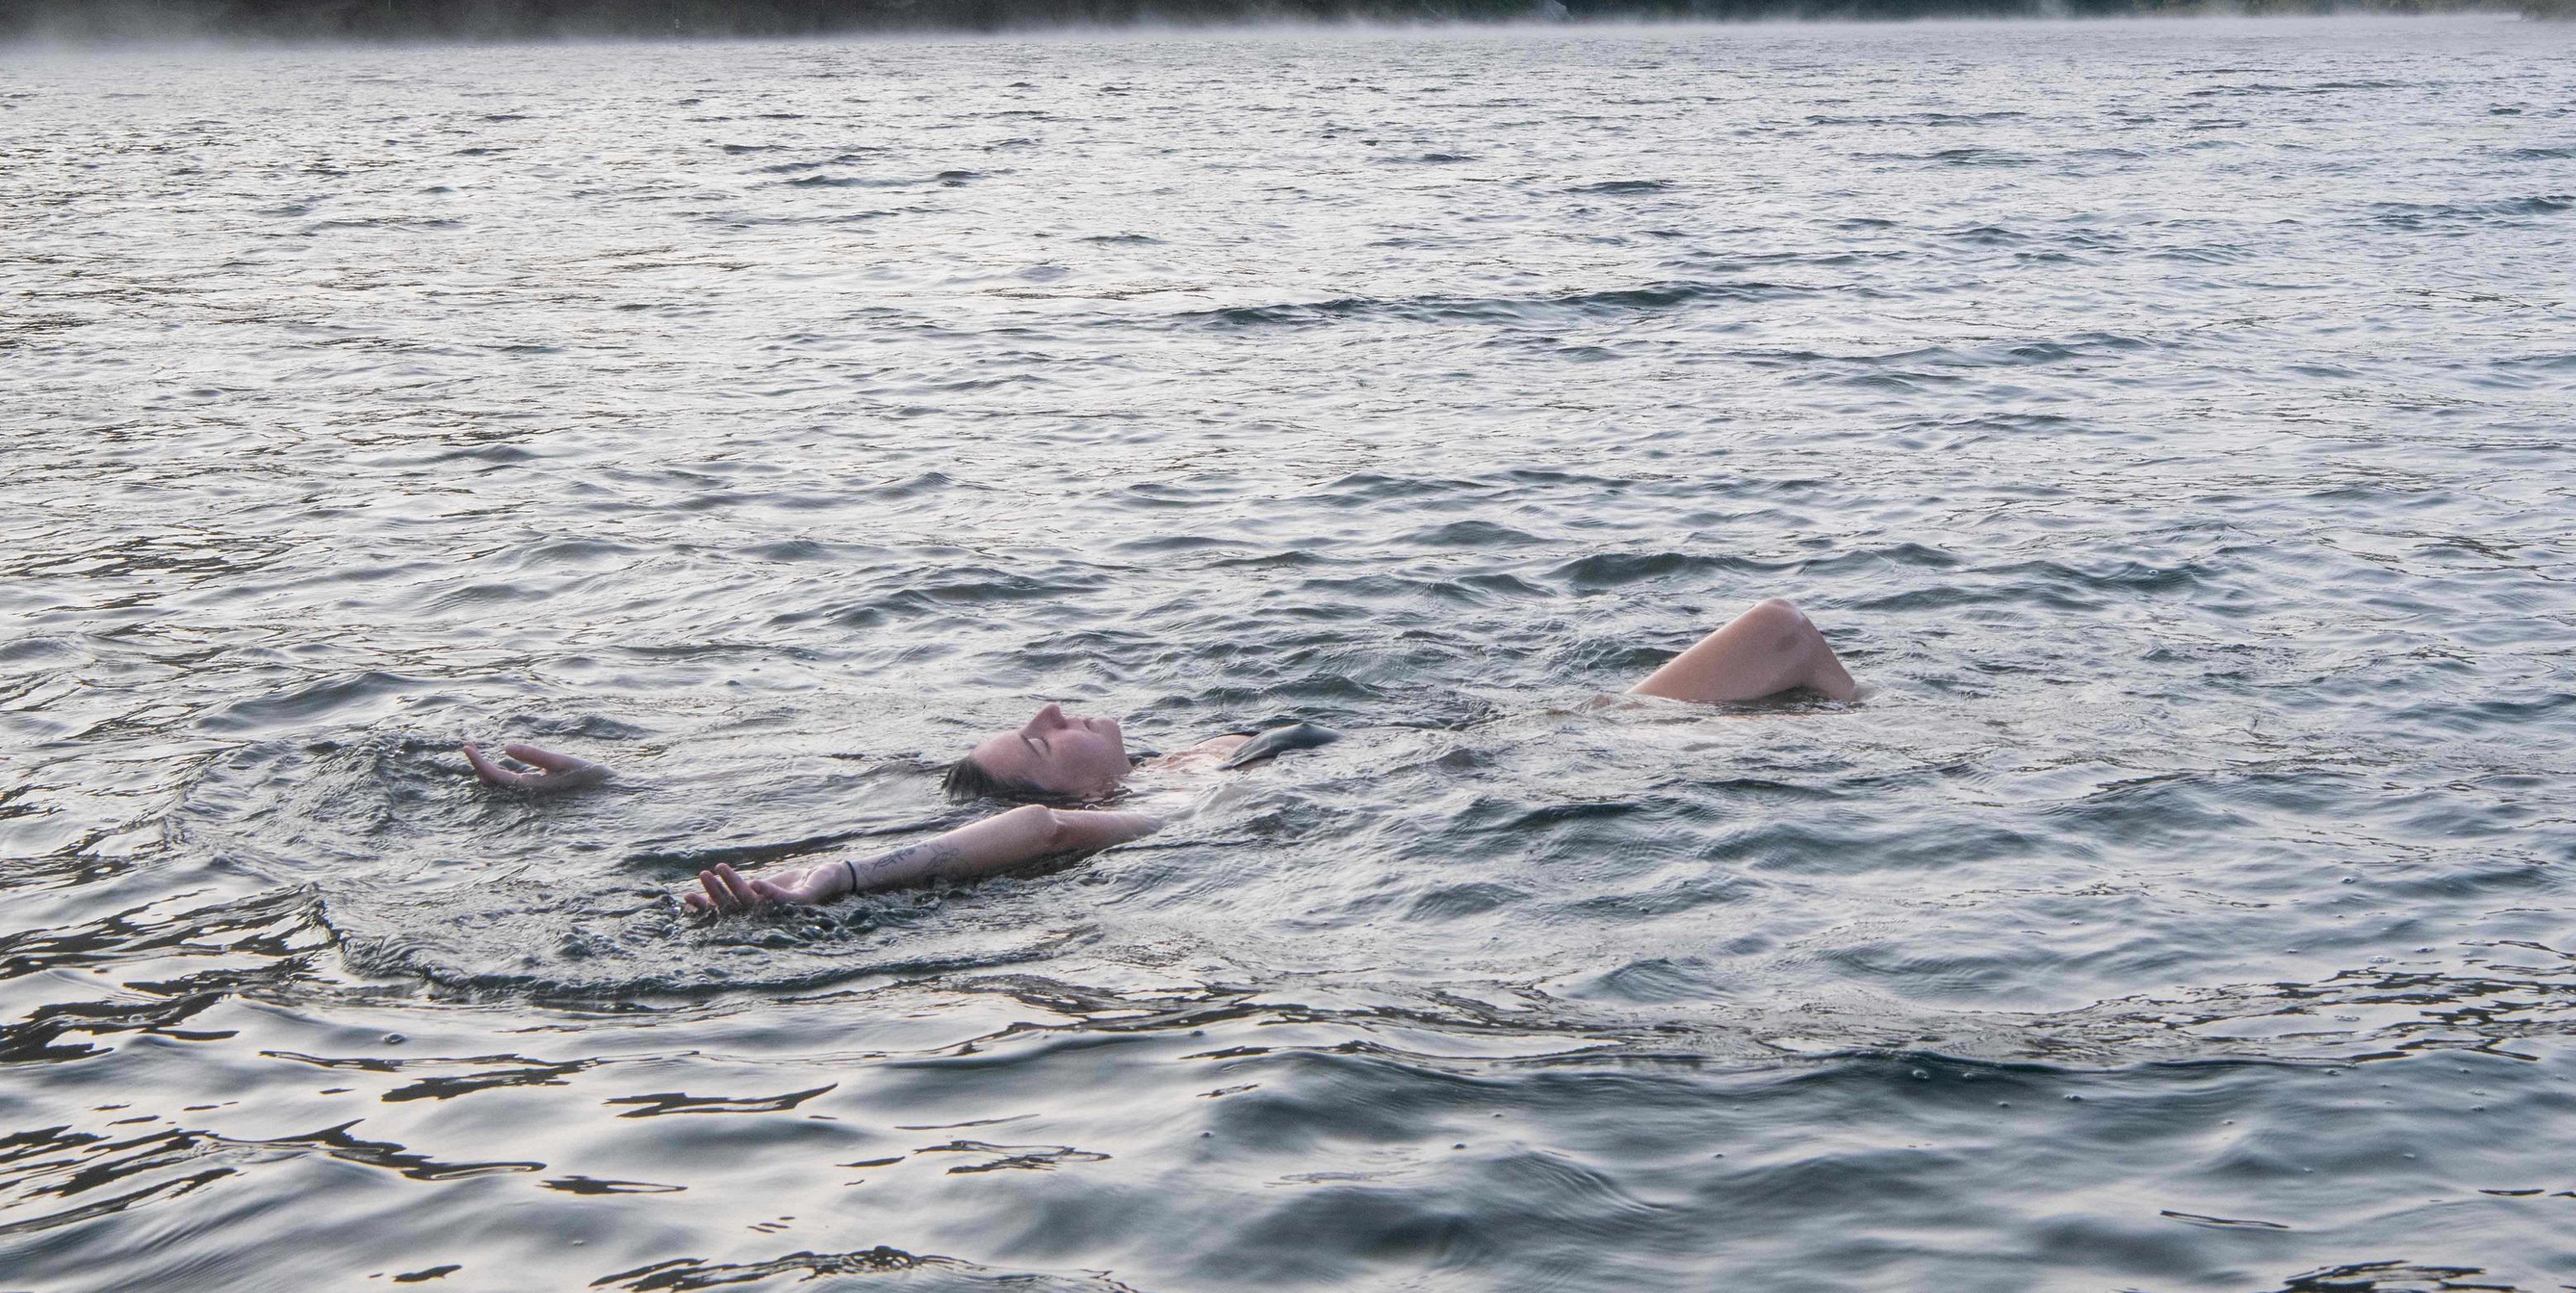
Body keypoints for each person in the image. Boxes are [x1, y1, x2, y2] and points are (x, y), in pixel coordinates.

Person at [461, 597, 1857, 917]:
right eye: (1042, 738)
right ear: (1077, 789)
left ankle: (1879, 750)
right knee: (1785, 635)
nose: (1058, 708)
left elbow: (831, 761)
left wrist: (617, 784)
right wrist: (822, 882)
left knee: (1788, 649)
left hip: (1522, 752)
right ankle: (1895, 760)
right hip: (1574, 767)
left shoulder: (1173, 759)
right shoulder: (1140, 820)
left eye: (1042, 709)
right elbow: (1014, 839)